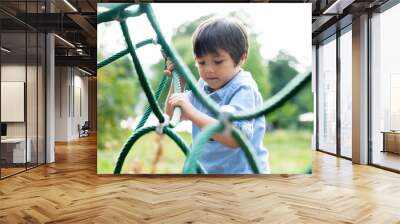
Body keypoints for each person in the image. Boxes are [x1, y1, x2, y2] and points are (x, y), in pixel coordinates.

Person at [164, 16, 269, 174]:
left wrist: (192, 113)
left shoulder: (243, 88)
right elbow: (172, 115)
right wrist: (178, 83)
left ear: (241, 57)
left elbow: (234, 138)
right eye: (201, 62)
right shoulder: (203, 85)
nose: (208, 69)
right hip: (204, 171)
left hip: (242, 174)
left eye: (218, 61)